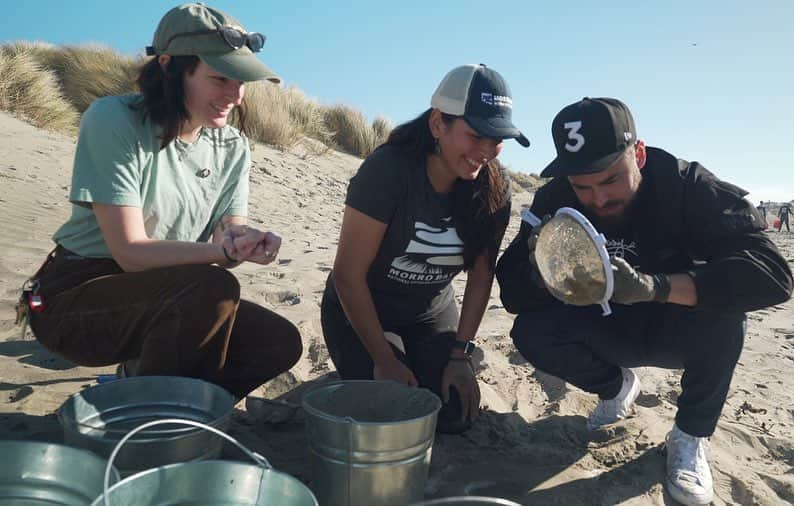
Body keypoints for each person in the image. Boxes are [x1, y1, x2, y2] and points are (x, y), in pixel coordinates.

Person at [496, 98, 793, 505]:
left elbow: (773, 275)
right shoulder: (555, 199)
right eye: (584, 187)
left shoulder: (687, 186)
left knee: (727, 320)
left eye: (611, 180)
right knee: (531, 330)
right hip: (604, 326)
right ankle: (615, 387)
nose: (598, 199)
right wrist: (541, 269)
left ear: (638, 153)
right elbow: (511, 293)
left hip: (677, 326)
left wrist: (657, 287)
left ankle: (689, 436)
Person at [17, 3, 302, 399]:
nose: (234, 95)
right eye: (220, 78)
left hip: (168, 295)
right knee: (212, 288)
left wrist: (243, 240)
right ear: (169, 66)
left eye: (241, 82)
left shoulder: (231, 145)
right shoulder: (114, 120)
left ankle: (181, 407)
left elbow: (229, 230)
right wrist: (220, 252)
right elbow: (131, 252)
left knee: (279, 341)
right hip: (74, 297)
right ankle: (145, 418)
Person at [320, 64, 529, 434]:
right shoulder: (388, 172)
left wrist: (460, 353)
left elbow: (482, 275)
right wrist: (383, 360)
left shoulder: (494, 187)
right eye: (475, 134)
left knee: (452, 414)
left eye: (496, 138)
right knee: (392, 412)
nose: (485, 150)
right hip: (361, 310)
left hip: (430, 314)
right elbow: (348, 277)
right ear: (437, 124)